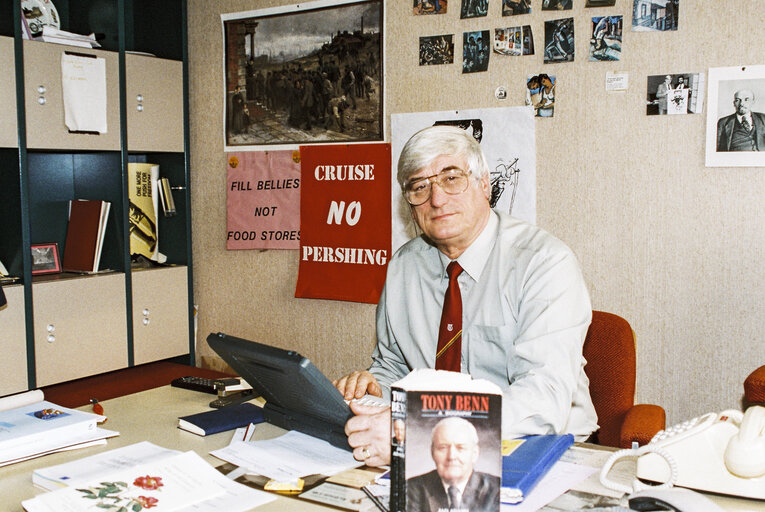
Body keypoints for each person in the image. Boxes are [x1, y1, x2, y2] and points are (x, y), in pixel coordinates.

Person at [334, 125, 598, 467]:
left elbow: (543, 398)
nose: (437, 199)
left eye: (451, 178)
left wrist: (419, 433)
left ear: (484, 183)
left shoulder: (544, 263)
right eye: (420, 187)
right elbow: (394, 365)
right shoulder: (403, 267)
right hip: (431, 445)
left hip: (536, 446)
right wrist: (374, 388)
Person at [407, 417, 499, 512]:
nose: (451, 456)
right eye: (443, 448)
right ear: (432, 452)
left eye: (461, 448)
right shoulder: (411, 488)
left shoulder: (497, 489)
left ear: (475, 453)